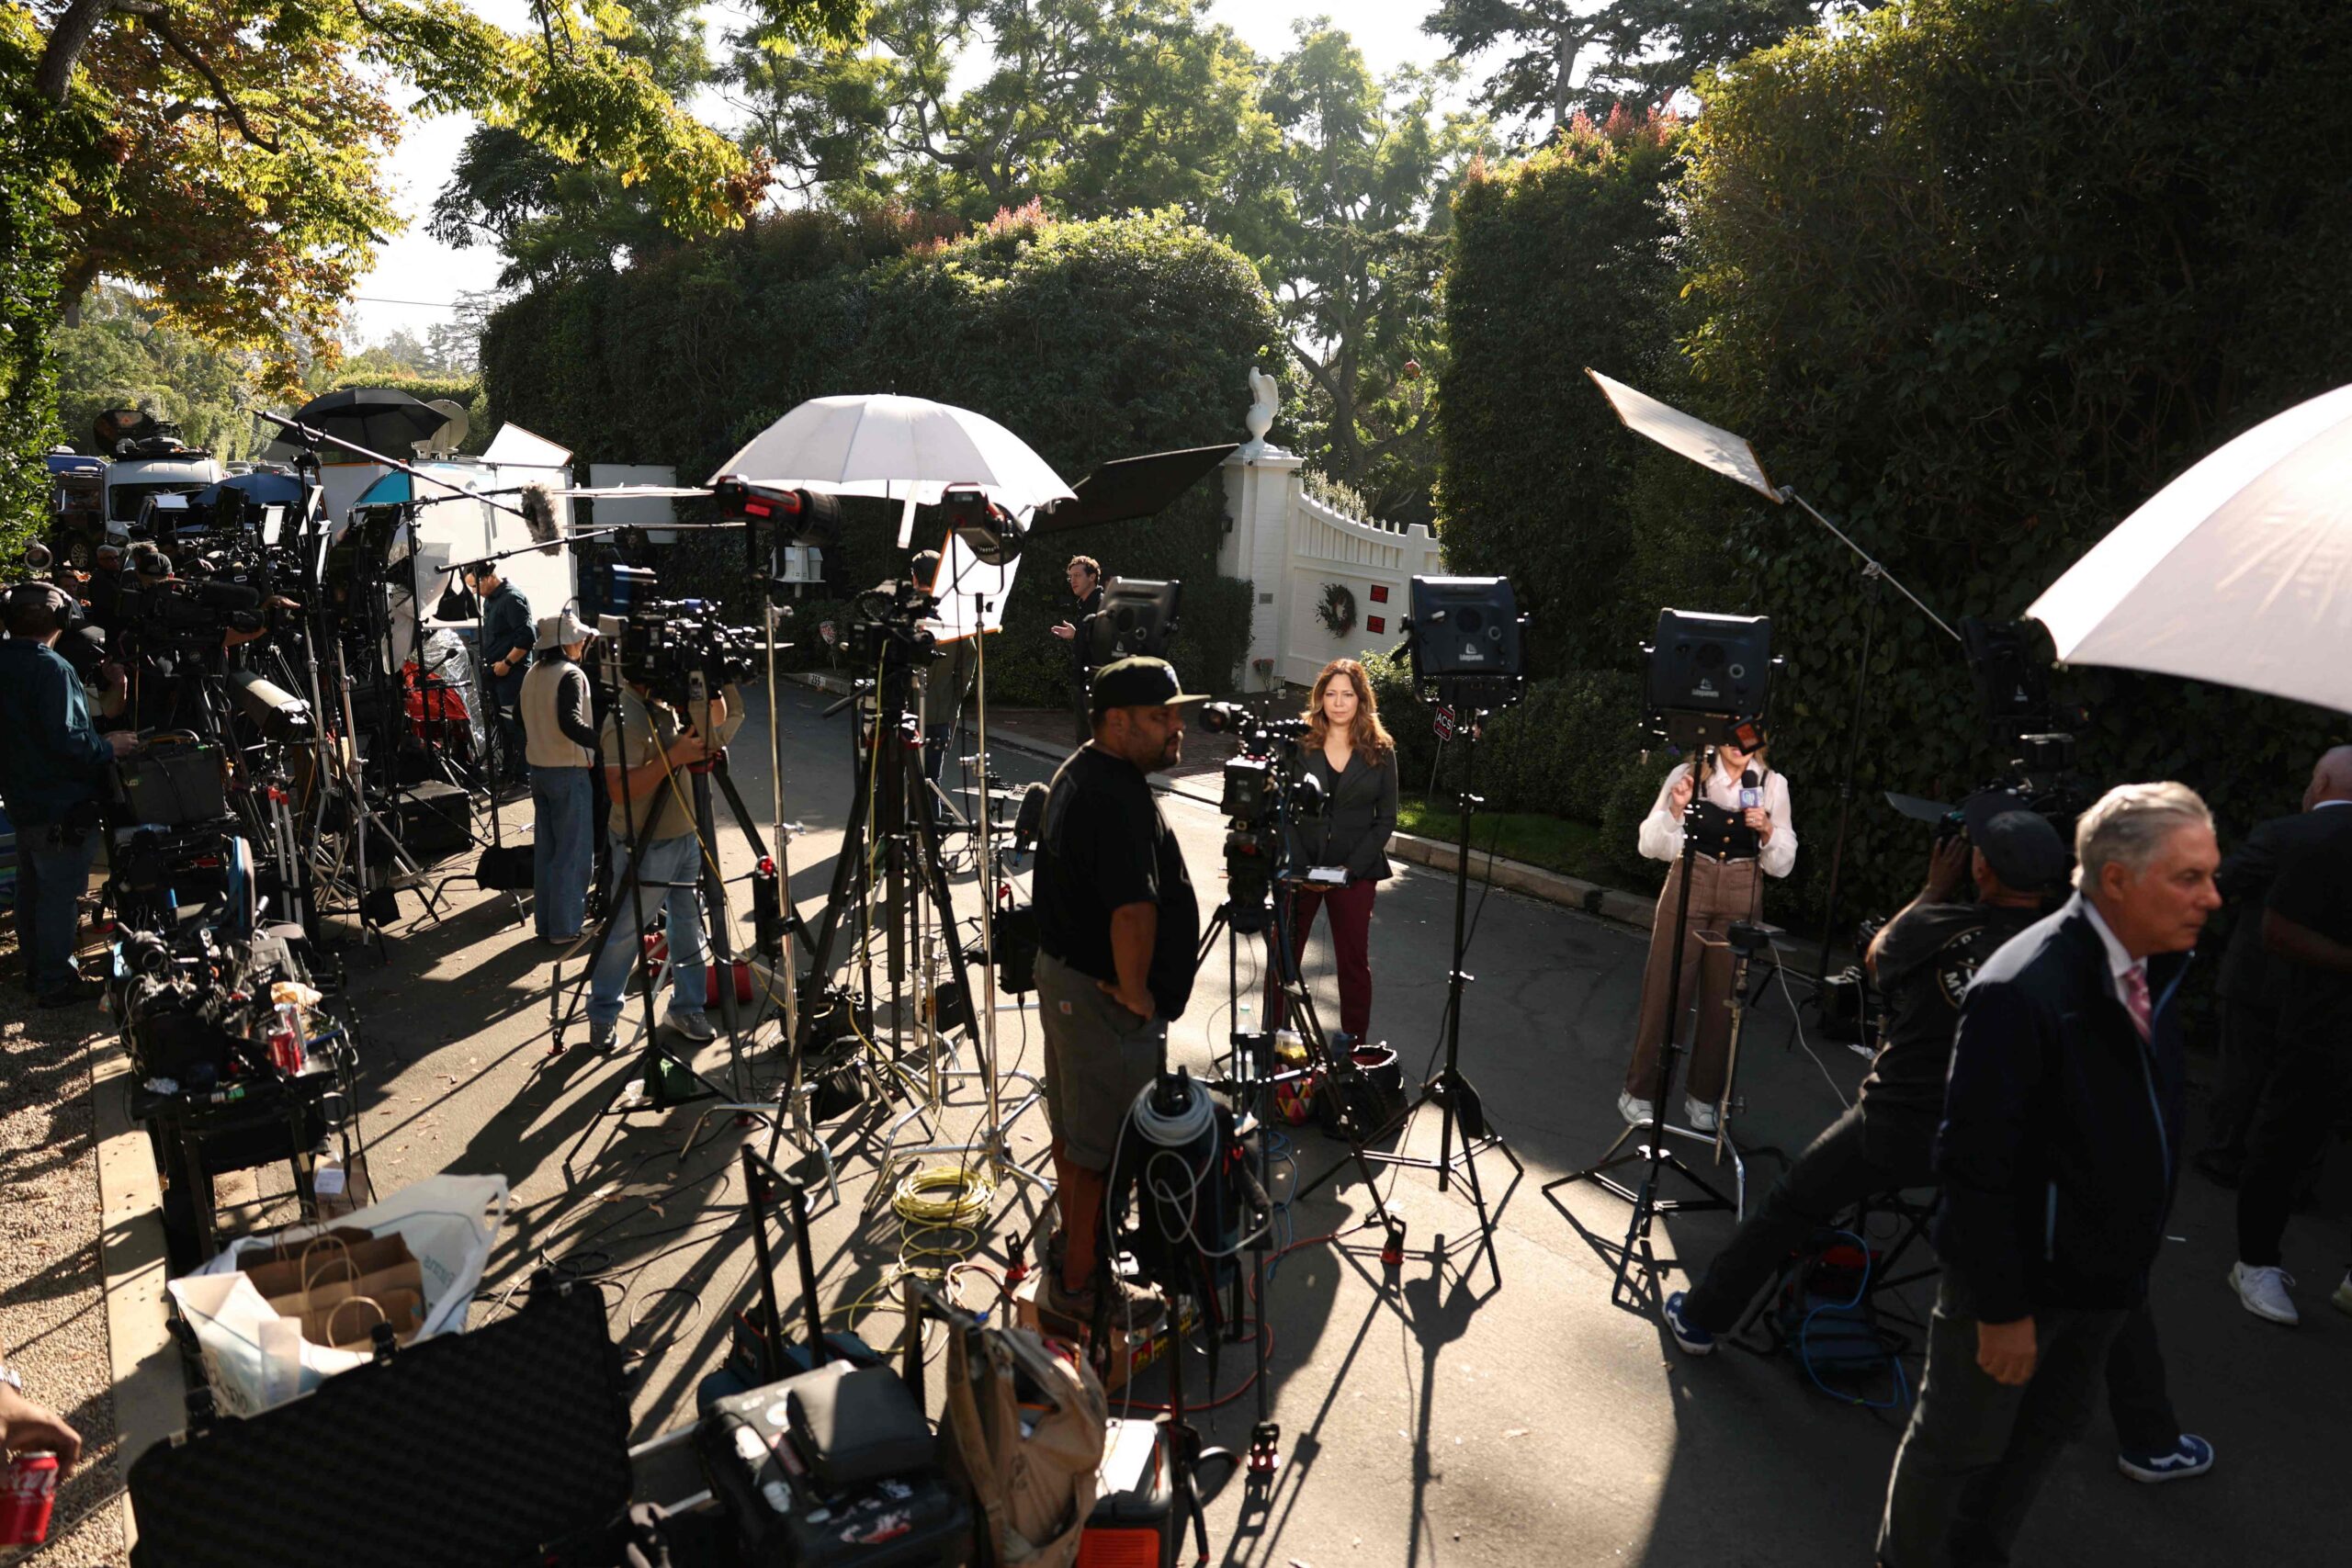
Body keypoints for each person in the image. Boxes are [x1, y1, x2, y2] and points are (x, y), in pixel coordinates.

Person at [1668, 798, 2211, 1487]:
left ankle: (1704, 1318)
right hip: (2016, 1154)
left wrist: (1931, 888)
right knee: (2106, 1272)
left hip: (1899, 1125)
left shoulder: (1934, 925)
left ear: (1979, 867)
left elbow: (1877, 960)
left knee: (1791, 1206)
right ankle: (2150, 1440)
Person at [1878, 783, 2221, 1568]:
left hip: (2103, 1286)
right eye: (2188, 876)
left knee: (2039, 1440)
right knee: (1957, 1447)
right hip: (2021, 1288)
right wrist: (2001, 1309)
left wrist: (2129, 1270)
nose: (2211, 896)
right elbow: (1975, 1166)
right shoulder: (2020, 985)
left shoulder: (2157, 969)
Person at [1033, 656, 1204, 1325]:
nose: (1176, 727)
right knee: (1101, 1152)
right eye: (1161, 716)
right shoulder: (1115, 797)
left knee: (1078, 1137)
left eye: (1176, 714)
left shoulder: (1085, 770)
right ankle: (1080, 1289)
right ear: (1117, 721)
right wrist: (1137, 993)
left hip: (1070, 985)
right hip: (1100, 1003)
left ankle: (1073, 1253)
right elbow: (1133, 912)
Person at [2226, 745, 2352, 1325]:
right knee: (2282, 1134)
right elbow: (2280, 928)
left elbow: (2235, 890)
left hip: (2293, 1007)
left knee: (2277, 1132)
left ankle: (2257, 1260)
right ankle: (2256, 1261)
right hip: (2311, 1014)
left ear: (2320, 782)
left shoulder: (2293, 833)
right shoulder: (2321, 839)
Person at [1621, 731, 1796, 1132]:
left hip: (1741, 887)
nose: (1739, 743)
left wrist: (1767, 830)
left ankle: (1703, 1097)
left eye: (1748, 734)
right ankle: (1639, 1091)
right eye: (1730, 734)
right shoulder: (1690, 774)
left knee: (1724, 1000)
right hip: (1690, 879)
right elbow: (1650, 845)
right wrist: (1675, 809)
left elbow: (1782, 864)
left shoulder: (1771, 784)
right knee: (1666, 988)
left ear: (1760, 740)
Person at [2197, 759, 2352, 1184]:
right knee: (2314, 1082)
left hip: (2260, 975)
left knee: (2242, 1070)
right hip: (2335, 988)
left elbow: (2220, 885)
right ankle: (2294, 1175)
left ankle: (2224, 1155)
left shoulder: (2283, 833)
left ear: (2321, 782)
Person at [583, 660, 743, 1053]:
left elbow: (718, 720)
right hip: (645, 841)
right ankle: (603, 1014)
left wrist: (716, 679)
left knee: (688, 927)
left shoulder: (667, 705)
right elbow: (619, 790)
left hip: (686, 833)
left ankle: (687, 1007)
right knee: (624, 931)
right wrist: (674, 757)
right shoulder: (626, 719)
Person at [0, 582, 140, 1006]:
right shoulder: (53, 669)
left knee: (31, 888)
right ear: (62, 620)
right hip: (61, 802)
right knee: (59, 895)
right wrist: (108, 746)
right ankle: (55, 981)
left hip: (22, 799)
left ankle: (38, 968)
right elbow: (68, 740)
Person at [1273, 658, 1399, 1042]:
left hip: (1355, 872)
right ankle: (1275, 1041)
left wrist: (1348, 869)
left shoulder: (1381, 749)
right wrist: (1302, 868)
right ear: (1320, 698)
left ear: (1361, 699)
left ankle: (1353, 1047)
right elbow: (1280, 809)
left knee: (1353, 962)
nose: (1339, 702)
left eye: (1347, 694)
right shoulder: (1298, 742)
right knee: (1283, 959)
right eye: (1331, 694)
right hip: (1300, 868)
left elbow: (1386, 819)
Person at [520, 610, 601, 945]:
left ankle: (547, 924)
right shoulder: (571, 674)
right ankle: (565, 927)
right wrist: (603, 742)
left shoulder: (532, 673)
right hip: (567, 771)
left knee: (548, 852)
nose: (582, 644)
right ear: (566, 643)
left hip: (539, 769)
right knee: (573, 853)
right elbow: (570, 722)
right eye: (578, 639)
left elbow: (519, 718)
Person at [464, 559, 534, 786]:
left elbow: (527, 638)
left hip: (512, 674)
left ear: (487, 578)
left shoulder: (511, 598)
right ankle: (509, 770)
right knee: (503, 727)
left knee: (515, 725)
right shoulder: (491, 601)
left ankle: (523, 776)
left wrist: (507, 663)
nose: (475, 592)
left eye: (475, 586)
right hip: (495, 672)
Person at [1049, 555, 1103, 748]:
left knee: (1097, 742)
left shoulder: (1102, 604)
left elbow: (1104, 641)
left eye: (1078, 575)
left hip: (1096, 685)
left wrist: (1077, 634)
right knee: (1084, 742)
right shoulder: (1084, 604)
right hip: (1081, 681)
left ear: (1092, 577)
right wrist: (1076, 635)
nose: (1073, 580)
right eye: (1071, 576)